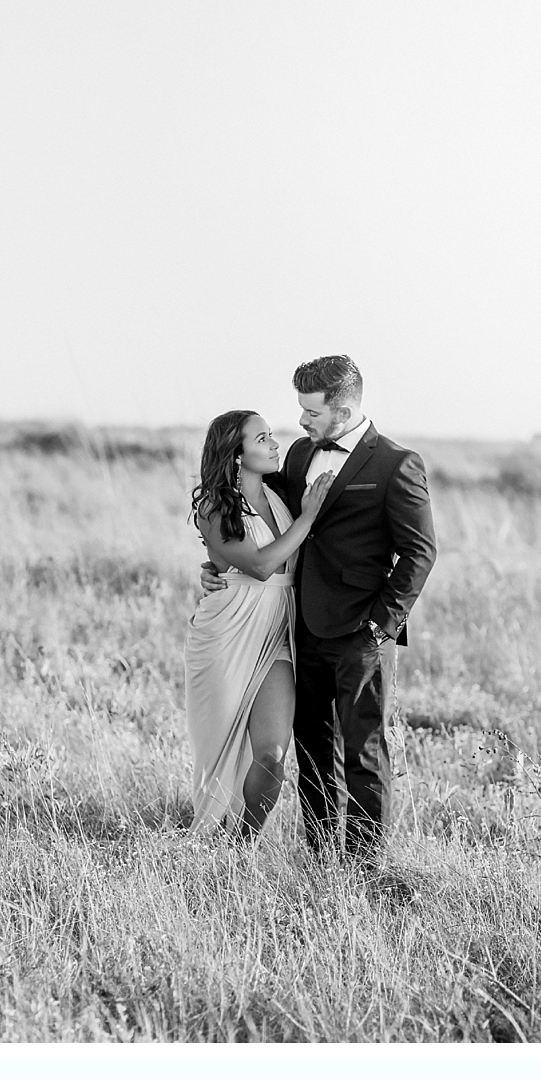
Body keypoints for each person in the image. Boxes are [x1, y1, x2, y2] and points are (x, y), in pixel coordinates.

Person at [197, 354, 437, 862]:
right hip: (298, 627)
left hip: (362, 632)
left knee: (363, 751)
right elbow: (257, 520)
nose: (301, 421)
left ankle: (364, 863)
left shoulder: (396, 464)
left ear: (343, 411)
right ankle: (323, 857)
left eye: (312, 412)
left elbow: (420, 553)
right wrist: (217, 565)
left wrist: (382, 626)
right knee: (312, 750)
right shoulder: (301, 454)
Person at [185, 411, 334, 836]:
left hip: (278, 630)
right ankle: (212, 839)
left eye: (271, 436)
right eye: (262, 438)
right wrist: (307, 518)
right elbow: (261, 565)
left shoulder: (279, 495)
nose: (274, 444)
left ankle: (242, 845)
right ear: (236, 455)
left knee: (271, 754)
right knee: (220, 750)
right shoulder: (214, 506)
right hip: (228, 632)